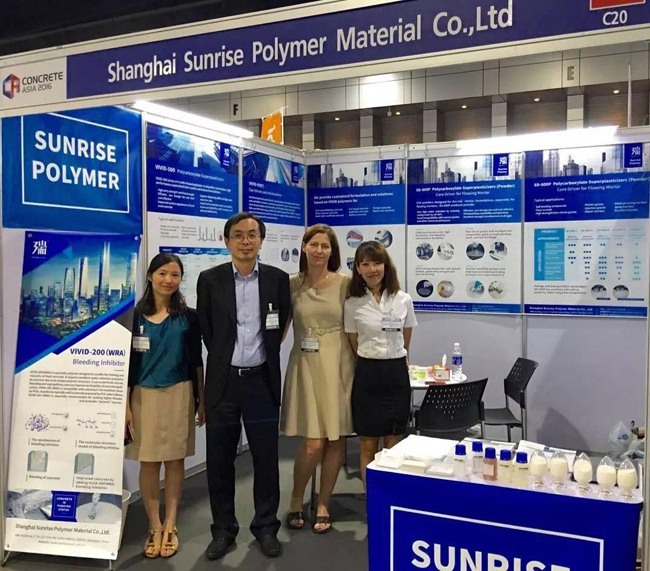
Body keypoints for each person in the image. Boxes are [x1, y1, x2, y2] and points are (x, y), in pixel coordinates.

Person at [197, 212, 291, 560]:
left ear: (261, 240)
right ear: (227, 241)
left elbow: (281, 323)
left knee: (266, 460)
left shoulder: (278, 279)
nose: (246, 241)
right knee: (220, 462)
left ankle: (266, 527)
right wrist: (227, 359)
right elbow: (207, 329)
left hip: (262, 381)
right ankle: (223, 530)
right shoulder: (210, 279)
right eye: (238, 235)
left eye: (252, 235)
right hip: (223, 382)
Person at [125, 253, 205, 559]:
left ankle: (170, 524)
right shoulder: (133, 317)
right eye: (162, 274)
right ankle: (154, 525)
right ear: (150, 276)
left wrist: (201, 398)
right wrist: (125, 404)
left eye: (175, 275)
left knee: (174, 461)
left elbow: (196, 360)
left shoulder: (189, 317)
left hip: (179, 393)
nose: (168, 280)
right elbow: (126, 365)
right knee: (148, 462)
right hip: (142, 396)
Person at [282, 224, 355, 534]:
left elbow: (360, 324)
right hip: (306, 365)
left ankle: (323, 502)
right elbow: (280, 327)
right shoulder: (290, 284)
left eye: (325, 246)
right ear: (304, 247)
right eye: (314, 244)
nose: (319, 250)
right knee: (312, 443)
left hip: (340, 365)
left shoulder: (346, 283)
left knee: (335, 438)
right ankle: (296, 499)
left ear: (332, 251)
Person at [344, 241, 417, 488]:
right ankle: (372, 500)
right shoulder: (352, 303)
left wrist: (394, 356)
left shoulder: (403, 300)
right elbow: (353, 342)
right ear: (358, 268)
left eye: (377, 263)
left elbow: (405, 337)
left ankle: (391, 497)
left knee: (393, 443)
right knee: (367, 444)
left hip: (396, 373)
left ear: (386, 265)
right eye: (365, 264)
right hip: (367, 373)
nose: (372, 269)